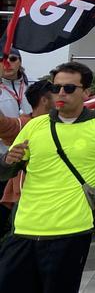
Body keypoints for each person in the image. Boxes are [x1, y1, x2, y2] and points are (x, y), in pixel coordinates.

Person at [0, 62, 95, 292]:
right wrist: (8, 161)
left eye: (69, 88)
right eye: (56, 88)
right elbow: (8, 170)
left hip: (69, 233)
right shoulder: (35, 126)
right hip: (23, 231)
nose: (61, 93)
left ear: (86, 92)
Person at [0, 79, 52, 241]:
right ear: (44, 99)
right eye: (56, 92)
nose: (62, 95)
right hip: (26, 201)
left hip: (54, 200)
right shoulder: (25, 124)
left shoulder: (64, 124)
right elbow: (3, 125)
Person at [0, 50, 29, 240]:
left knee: (18, 218)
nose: (8, 63)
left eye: (13, 59)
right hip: (2, 160)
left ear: (20, 61)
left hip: (24, 162)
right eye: (3, 59)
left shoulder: (32, 86)